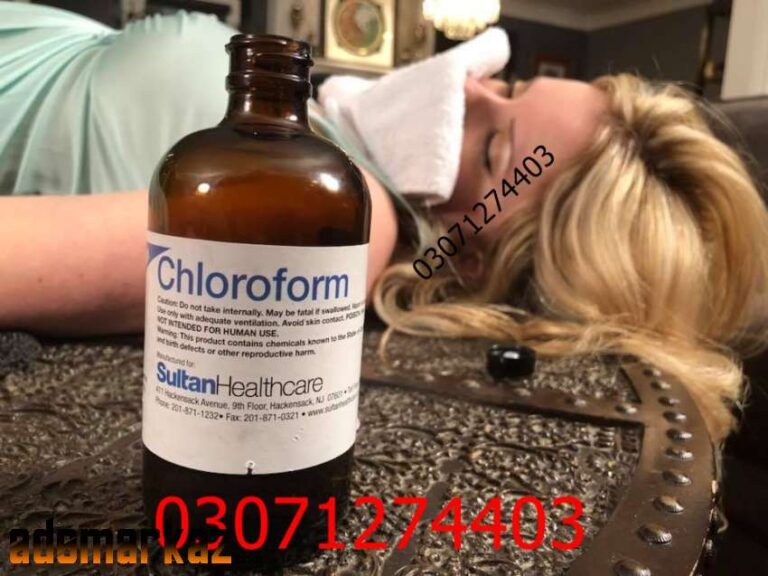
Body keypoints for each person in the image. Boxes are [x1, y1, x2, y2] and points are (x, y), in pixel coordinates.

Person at [1, 3, 766, 442]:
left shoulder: (335, 219)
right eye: (509, 86)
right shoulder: (319, 124)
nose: (469, 88)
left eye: (493, 149)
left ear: (475, 255)